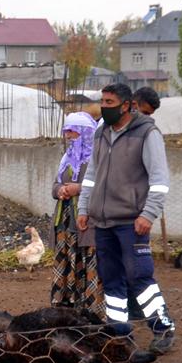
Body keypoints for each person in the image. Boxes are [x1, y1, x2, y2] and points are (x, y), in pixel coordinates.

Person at [76, 84, 176, 354]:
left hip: (132, 222)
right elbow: (91, 175)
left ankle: (163, 327)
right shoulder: (100, 132)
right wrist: (84, 208)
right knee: (111, 280)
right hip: (103, 222)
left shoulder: (147, 134)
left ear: (126, 105)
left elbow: (159, 180)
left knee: (139, 277)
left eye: (109, 101)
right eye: (102, 100)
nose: (103, 106)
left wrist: (148, 214)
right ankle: (120, 332)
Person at [49, 111, 103, 318]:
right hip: (65, 221)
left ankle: (90, 311)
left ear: (85, 133)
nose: (68, 136)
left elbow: (101, 186)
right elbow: (55, 184)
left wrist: (77, 188)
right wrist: (60, 190)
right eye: (67, 131)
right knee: (66, 262)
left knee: (88, 263)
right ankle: (66, 309)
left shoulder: (96, 160)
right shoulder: (67, 158)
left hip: (86, 221)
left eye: (73, 132)